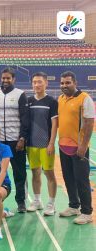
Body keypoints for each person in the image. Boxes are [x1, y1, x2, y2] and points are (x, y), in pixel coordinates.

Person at [58, 71, 95, 224]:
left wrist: (83, 146)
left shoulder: (84, 98)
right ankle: (74, 206)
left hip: (79, 148)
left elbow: (89, 123)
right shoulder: (60, 99)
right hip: (63, 147)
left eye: (68, 83)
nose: (64, 86)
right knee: (68, 177)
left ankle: (86, 212)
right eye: (62, 83)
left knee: (81, 179)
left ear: (75, 83)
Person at [0, 67, 29, 213]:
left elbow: (25, 118)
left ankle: (21, 202)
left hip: (16, 141)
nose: (5, 80)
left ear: (13, 79)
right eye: (3, 78)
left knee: (19, 172)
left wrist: (22, 138)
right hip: (0, 142)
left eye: (8, 78)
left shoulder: (21, 94)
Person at [26, 72, 58, 216]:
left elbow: (54, 123)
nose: (37, 85)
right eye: (34, 82)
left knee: (49, 173)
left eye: (39, 82)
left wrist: (51, 143)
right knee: (35, 172)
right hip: (31, 144)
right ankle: (37, 200)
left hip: (46, 144)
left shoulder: (51, 101)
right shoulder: (29, 101)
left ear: (46, 83)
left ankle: (51, 204)